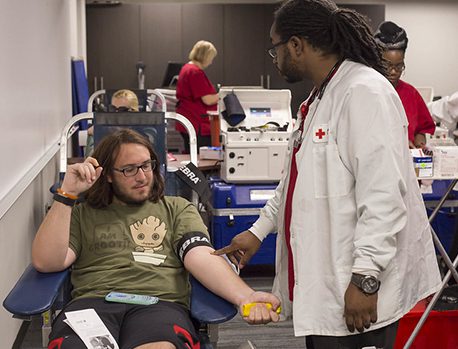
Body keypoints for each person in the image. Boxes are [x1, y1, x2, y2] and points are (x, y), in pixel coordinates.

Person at [214, 1, 441, 348]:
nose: (274, 58)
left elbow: (384, 196)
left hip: (358, 291)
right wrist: (258, 232)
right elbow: (295, 181)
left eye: (275, 47)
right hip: (328, 285)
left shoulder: (364, 91)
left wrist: (366, 278)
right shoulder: (320, 97)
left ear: (296, 45)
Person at [32, 128, 280, 348]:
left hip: (157, 304)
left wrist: (246, 296)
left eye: (146, 165)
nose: (142, 177)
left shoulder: (176, 208)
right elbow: (47, 262)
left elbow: (201, 256)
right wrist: (67, 195)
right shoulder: (82, 213)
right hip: (92, 304)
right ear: (107, 174)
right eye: (129, 170)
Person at [374, 21, 436, 149]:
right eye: (387, 65)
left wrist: (419, 144)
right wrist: (398, 144)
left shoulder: (411, 93)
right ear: (377, 62)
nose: (393, 71)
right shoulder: (367, 93)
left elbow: (421, 129)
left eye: (399, 66)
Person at [175, 40, 219, 153]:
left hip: (190, 120)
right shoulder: (195, 72)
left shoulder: (187, 68)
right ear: (205, 56)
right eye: (211, 58)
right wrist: (224, 95)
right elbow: (208, 100)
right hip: (196, 122)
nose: (211, 62)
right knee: (200, 157)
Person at [85, 89, 140, 157]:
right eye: (113, 108)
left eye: (122, 110)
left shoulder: (145, 129)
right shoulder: (103, 128)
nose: (115, 113)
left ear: (133, 111)